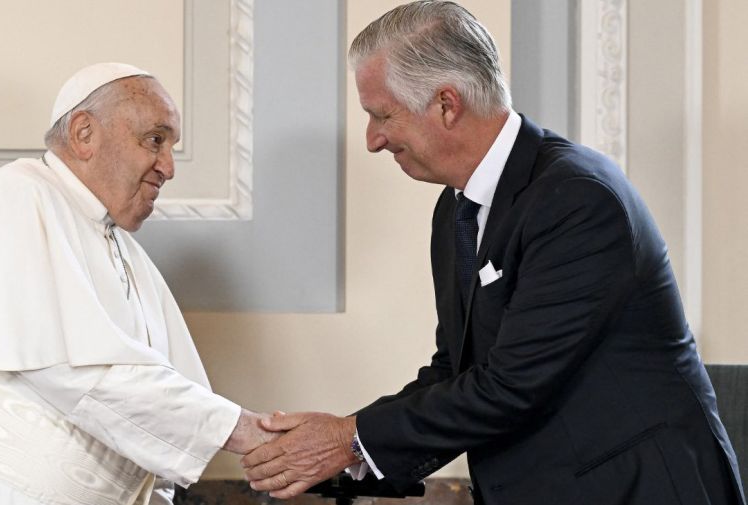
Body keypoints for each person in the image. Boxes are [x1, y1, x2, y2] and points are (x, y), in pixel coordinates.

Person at [241, 2, 746, 504]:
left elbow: (511, 385)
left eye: (382, 115)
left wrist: (350, 436)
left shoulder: (578, 198)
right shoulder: (456, 207)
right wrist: (349, 449)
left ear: (446, 103)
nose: (373, 140)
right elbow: (457, 372)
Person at [0, 62, 276, 505]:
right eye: (155, 140)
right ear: (84, 133)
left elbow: (142, 431)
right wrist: (241, 429)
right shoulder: (17, 195)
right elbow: (84, 375)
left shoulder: (124, 251)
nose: (168, 167)